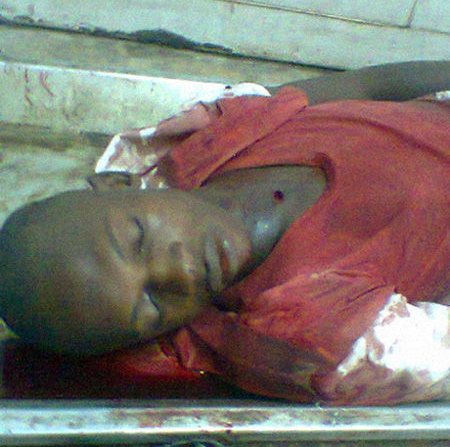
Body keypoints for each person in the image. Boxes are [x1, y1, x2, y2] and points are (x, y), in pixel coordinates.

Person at [0, 61, 449, 405]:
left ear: (121, 183)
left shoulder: (216, 135)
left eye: (138, 240)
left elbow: (366, 85)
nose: (178, 272)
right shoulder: (312, 332)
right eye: (151, 305)